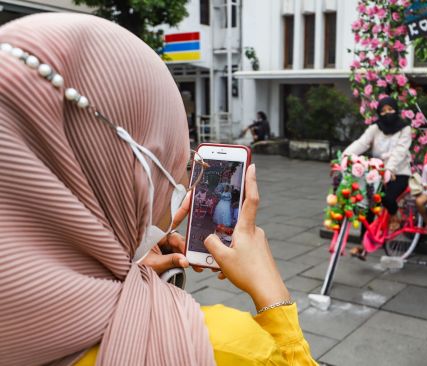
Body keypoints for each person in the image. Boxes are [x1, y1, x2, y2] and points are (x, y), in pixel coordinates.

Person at [0, 13, 317, 365]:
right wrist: (272, 295)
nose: (183, 183)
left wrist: (132, 271)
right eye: (177, 166)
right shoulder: (222, 347)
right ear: (130, 175)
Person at [342, 96, 412, 259]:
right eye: (383, 111)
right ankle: (362, 246)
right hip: (377, 171)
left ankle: (395, 216)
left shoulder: (405, 129)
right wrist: (345, 157)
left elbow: (400, 151)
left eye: (390, 109)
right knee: (368, 206)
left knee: (388, 198)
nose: (387, 113)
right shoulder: (375, 128)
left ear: (396, 109)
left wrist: (390, 168)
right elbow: (362, 143)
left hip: (399, 172)